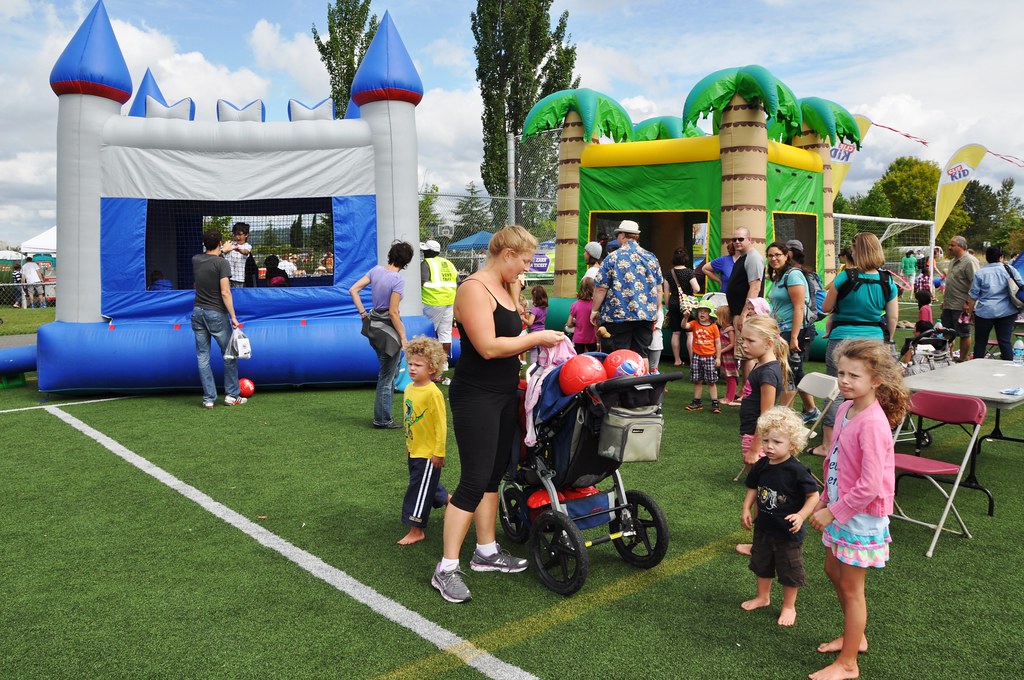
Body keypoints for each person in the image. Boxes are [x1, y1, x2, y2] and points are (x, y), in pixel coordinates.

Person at [431, 226, 563, 604]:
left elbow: (509, 331)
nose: (526, 268)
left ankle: (486, 552)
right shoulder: (473, 289)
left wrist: (518, 302)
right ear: (506, 253)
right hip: (476, 397)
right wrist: (536, 337)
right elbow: (488, 347)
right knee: (473, 480)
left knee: (492, 477)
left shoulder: (508, 286)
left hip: (505, 394)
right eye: (523, 260)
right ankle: (446, 568)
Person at [809, 339, 909, 680]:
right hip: (840, 507)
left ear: (876, 380)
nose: (845, 381)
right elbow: (834, 461)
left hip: (860, 516)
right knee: (832, 571)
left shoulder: (874, 424)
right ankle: (856, 637)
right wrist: (825, 500)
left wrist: (833, 512)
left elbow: (869, 486)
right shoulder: (844, 410)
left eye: (854, 375)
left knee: (853, 590)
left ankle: (849, 663)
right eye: (841, 373)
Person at [813, 232, 898, 456]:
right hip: (874, 341)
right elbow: (893, 317)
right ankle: (868, 439)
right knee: (871, 390)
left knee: (838, 390)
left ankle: (828, 444)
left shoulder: (845, 277)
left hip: (843, 339)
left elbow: (826, 307)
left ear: (856, 251)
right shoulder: (887, 280)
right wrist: (887, 339)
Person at [741, 406, 819, 627]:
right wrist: (746, 508)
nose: (769, 446)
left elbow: (813, 496)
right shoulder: (762, 465)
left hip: (788, 533)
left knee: (789, 570)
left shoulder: (797, 470)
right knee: (761, 563)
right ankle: (763, 597)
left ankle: (788, 606)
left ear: (792, 445)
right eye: (766, 440)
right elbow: (753, 488)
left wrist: (801, 516)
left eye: (777, 442)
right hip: (764, 528)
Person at [735, 314, 789, 556]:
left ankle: (762, 544)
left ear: (768, 343)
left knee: (762, 494)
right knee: (761, 492)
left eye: (749, 340)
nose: (743, 344)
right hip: (752, 435)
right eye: (742, 339)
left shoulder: (768, 372)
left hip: (756, 438)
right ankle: (763, 542)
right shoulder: (762, 365)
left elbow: (766, 416)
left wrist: (755, 447)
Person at [349, 241, 412, 429]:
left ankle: (383, 416)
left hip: (373, 327)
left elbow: (353, 290)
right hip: (388, 331)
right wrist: (403, 337)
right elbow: (393, 312)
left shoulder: (376, 270)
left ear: (391, 255)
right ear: (407, 261)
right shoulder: (398, 280)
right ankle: (383, 419)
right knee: (386, 377)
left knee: (387, 374)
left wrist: (363, 314)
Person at [397, 337, 450, 546]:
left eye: (417, 365)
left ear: (431, 368)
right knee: (425, 483)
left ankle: (416, 528)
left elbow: (441, 425)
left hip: (428, 453)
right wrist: (408, 444)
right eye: (410, 363)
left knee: (417, 488)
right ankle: (448, 499)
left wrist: (439, 452)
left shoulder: (433, 393)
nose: (411, 368)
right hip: (415, 448)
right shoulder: (409, 388)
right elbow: (409, 419)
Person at [591, 220, 663, 366]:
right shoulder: (651, 257)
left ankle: (619, 388)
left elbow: (601, 288)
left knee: (618, 354)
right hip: (645, 315)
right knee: (642, 354)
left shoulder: (612, 258)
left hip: (618, 316)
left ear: (623, 236)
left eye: (618, 235)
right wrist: (657, 310)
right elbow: (659, 287)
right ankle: (641, 386)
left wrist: (594, 310)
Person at [191, 230, 246, 408]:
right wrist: (234, 317)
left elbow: (208, 260)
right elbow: (225, 292)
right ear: (220, 242)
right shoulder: (222, 263)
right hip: (216, 314)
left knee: (202, 357)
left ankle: (209, 399)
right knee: (229, 354)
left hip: (198, 313)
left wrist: (222, 249)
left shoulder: (196, 260)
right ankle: (231, 395)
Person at [766, 241, 817, 423]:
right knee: (795, 373)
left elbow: (799, 307)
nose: (773, 258)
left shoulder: (793, 275)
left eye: (777, 254)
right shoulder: (779, 276)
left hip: (793, 332)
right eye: (770, 255)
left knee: (787, 373)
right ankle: (810, 410)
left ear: (787, 255)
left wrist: (795, 337)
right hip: (780, 331)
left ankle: (784, 417)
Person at [967, 245, 1024, 360]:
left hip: (984, 312)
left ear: (987, 258)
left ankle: (977, 367)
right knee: (1005, 341)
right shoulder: (1010, 269)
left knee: (980, 342)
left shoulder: (980, 273)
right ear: (1001, 257)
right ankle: (1008, 368)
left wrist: (969, 313)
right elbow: (1020, 286)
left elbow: (973, 295)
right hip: (1007, 311)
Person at [940, 235, 980, 362]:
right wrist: (945, 300)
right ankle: (947, 357)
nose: (949, 247)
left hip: (961, 305)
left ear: (961, 246)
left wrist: (968, 302)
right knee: (947, 332)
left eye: (952, 245)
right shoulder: (952, 261)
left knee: (964, 333)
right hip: (949, 303)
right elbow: (951, 282)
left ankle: (963, 359)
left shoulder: (970, 261)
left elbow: (975, 282)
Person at [420, 240, 458, 365]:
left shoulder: (426, 263)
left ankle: (427, 363)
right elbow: (457, 281)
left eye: (425, 250)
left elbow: (422, 281)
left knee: (428, 333)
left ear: (430, 251)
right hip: (449, 301)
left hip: (433, 301)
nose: (423, 252)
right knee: (446, 333)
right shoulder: (448, 263)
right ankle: (442, 364)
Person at [683, 300, 722, 413]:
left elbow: (718, 343)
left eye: (705, 311)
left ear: (710, 314)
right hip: (696, 356)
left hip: (710, 357)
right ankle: (697, 401)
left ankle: (715, 402)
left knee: (711, 381)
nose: (702, 313)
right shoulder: (695, 323)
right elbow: (684, 326)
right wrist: (686, 317)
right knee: (697, 380)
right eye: (700, 311)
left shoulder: (714, 327)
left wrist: (718, 357)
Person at [666, 247, 701, 366]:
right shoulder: (689, 272)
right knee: (689, 333)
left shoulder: (669, 273)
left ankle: (677, 360)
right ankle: (692, 361)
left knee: (675, 333)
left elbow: (666, 293)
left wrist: (668, 308)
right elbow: (697, 288)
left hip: (673, 302)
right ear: (686, 259)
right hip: (687, 305)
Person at [725, 227, 765, 319]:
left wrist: (744, 314)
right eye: (734, 239)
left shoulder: (753, 257)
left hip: (746, 316)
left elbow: (755, 288)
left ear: (749, 239)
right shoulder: (742, 257)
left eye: (741, 239)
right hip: (737, 313)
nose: (737, 242)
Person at [716, 305, 740, 406]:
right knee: (727, 376)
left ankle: (730, 398)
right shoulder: (722, 328)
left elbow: (732, 344)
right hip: (724, 356)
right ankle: (728, 396)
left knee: (731, 376)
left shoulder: (729, 329)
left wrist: (721, 351)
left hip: (729, 356)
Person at [566, 277, 597, 354]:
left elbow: (569, 324)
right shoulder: (595, 305)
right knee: (593, 358)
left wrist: (575, 323)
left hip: (578, 338)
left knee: (579, 359)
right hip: (592, 338)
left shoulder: (575, 305)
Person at [224, 222, 257, 288]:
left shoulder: (247, 246)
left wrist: (239, 250)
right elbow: (221, 251)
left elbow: (246, 252)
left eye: (239, 234)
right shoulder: (230, 244)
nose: (237, 237)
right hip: (227, 277)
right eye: (235, 234)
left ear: (246, 235)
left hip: (239, 278)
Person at [525, 285, 549, 365]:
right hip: (542, 332)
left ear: (535, 297)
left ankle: (533, 369)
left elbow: (530, 323)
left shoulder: (534, 310)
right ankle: (541, 367)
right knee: (541, 353)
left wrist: (523, 319)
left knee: (534, 353)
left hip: (534, 334)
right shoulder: (544, 309)